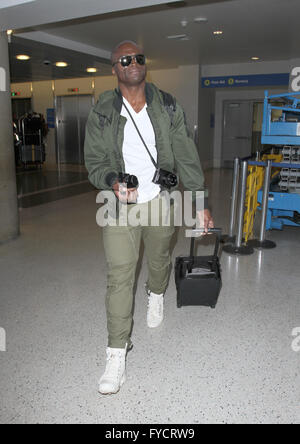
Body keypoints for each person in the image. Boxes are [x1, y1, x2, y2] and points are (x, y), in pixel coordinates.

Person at [84, 41, 214, 395]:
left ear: (145, 65)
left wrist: (200, 201)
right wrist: (112, 180)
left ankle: (156, 293)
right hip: (118, 204)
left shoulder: (167, 105)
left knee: (159, 260)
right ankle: (116, 353)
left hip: (162, 200)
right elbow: (95, 161)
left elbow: (186, 154)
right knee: (119, 276)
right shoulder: (103, 111)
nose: (133, 63)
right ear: (114, 68)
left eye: (138, 57)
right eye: (124, 59)